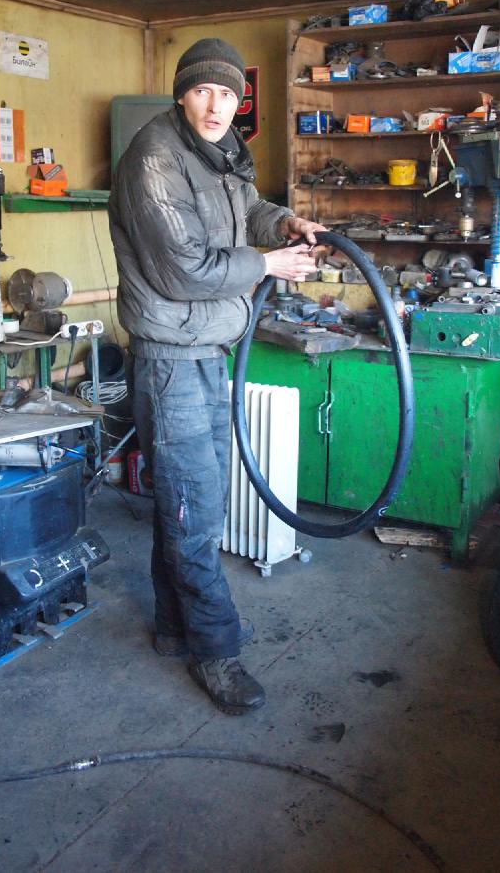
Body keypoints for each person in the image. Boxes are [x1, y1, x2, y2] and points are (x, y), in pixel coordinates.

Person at [108, 38, 325, 715]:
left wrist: (282, 222)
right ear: (182, 92)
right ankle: (215, 649)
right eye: (204, 91)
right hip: (171, 357)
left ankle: (176, 628)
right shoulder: (154, 157)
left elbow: (246, 215)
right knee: (194, 505)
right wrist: (269, 266)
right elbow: (185, 267)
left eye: (228, 94)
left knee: (187, 498)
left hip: (206, 349)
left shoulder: (220, 149)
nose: (216, 104)